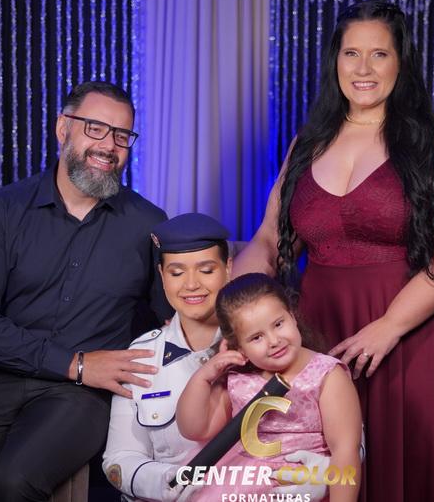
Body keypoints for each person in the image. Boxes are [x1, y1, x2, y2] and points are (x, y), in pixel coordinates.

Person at [233, 0, 434, 502]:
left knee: (426, 468)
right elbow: (269, 238)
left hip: (422, 333)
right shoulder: (307, 144)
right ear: (335, 61)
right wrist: (234, 311)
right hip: (325, 332)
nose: (363, 68)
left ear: (400, 63)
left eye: (379, 54)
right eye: (351, 53)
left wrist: (391, 325)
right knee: (331, 470)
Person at [0, 81, 171, 502]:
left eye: (121, 135)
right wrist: (75, 363)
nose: (108, 146)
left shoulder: (148, 222)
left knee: (12, 481)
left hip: (84, 398)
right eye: (95, 128)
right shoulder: (5, 208)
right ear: (63, 129)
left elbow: (175, 314)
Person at [103, 215, 333, 502]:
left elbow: (342, 429)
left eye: (206, 270)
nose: (191, 284)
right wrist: (172, 482)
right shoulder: (143, 355)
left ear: (228, 268)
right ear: (161, 276)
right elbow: (118, 459)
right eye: (176, 273)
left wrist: (326, 473)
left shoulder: (270, 342)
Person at [176, 273, 362, 502]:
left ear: (292, 316)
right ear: (239, 347)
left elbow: (345, 451)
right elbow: (195, 429)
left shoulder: (326, 374)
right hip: (238, 485)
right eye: (256, 338)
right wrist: (203, 377)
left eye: (278, 324)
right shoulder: (239, 379)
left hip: (299, 485)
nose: (274, 341)